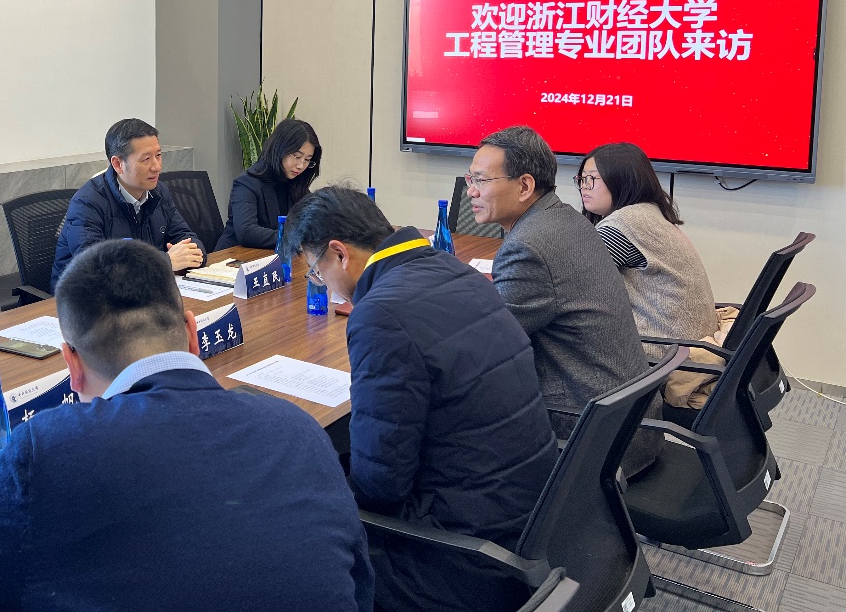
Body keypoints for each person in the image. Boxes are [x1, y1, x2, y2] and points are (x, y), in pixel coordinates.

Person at [0, 240, 374, 612]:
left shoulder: (51, 449)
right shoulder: (298, 429)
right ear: (192, 334)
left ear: (72, 365)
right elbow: (359, 586)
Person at [279, 187, 556, 612]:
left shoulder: (380, 314)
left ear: (339, 254)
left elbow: (381, 486)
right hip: (533, 518)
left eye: (316, 273)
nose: (323, 284)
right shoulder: (453, 269)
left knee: (292, 532)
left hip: (464, 556)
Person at [469, 125, 662, 475]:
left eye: (481, 180)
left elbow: (485, 348)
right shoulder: (564, 219)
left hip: (590, 441)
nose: (471, 190)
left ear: (525, 186)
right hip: (628, 422)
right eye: (471, 179)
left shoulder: (528, 247)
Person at [578, 142, 717, 357]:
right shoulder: (648, 213)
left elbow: (575, 283)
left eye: (593, 178)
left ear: (622, 179)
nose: (584, 187)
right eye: (582, 179)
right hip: (687, 341)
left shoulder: (622, 224)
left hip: (666, 351)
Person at [49, 118, 204, 291]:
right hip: (84, 298)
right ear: (118, 164)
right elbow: (96, 268)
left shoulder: (159, 192)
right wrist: (166, 261)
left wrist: (190, 255)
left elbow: (188, 239)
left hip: (141, 289)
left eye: (158, 155)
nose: (156, 167)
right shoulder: (87, 203)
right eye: (146, 159)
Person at [216, 117, 321, 250]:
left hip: (271, 256)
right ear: (280, 150)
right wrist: (292, 239)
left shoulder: (296, 184)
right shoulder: (246, 183)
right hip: (233, 257)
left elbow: (314, 220)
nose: (301, 165)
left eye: (307, 160)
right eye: (297, 157)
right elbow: (246, 232)